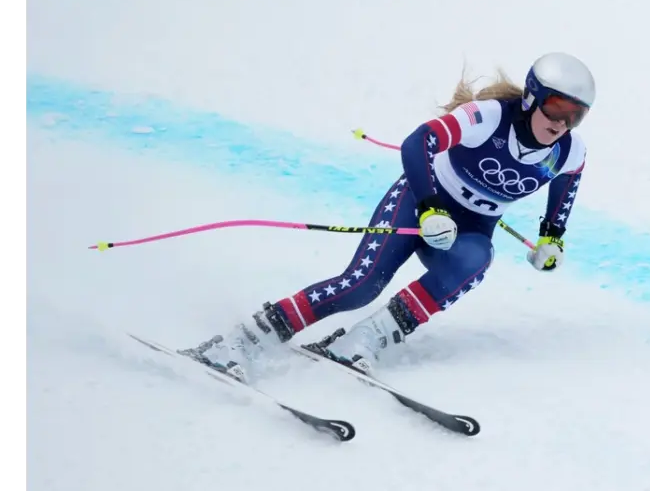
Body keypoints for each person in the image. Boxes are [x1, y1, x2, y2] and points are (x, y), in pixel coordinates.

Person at [179, 51, 596, 382]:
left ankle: (364, 339)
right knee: (360, 286)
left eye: (575, 114)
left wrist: (552, 237)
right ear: (531, 97)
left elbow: (566, 186)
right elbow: (419, 143)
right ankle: (241, 341)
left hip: (467, 229)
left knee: (476, 259)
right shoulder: (488, 118)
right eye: (556, 107)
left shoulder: (568, 151)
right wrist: (430, 205)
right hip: (418, 202)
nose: (562, 123)